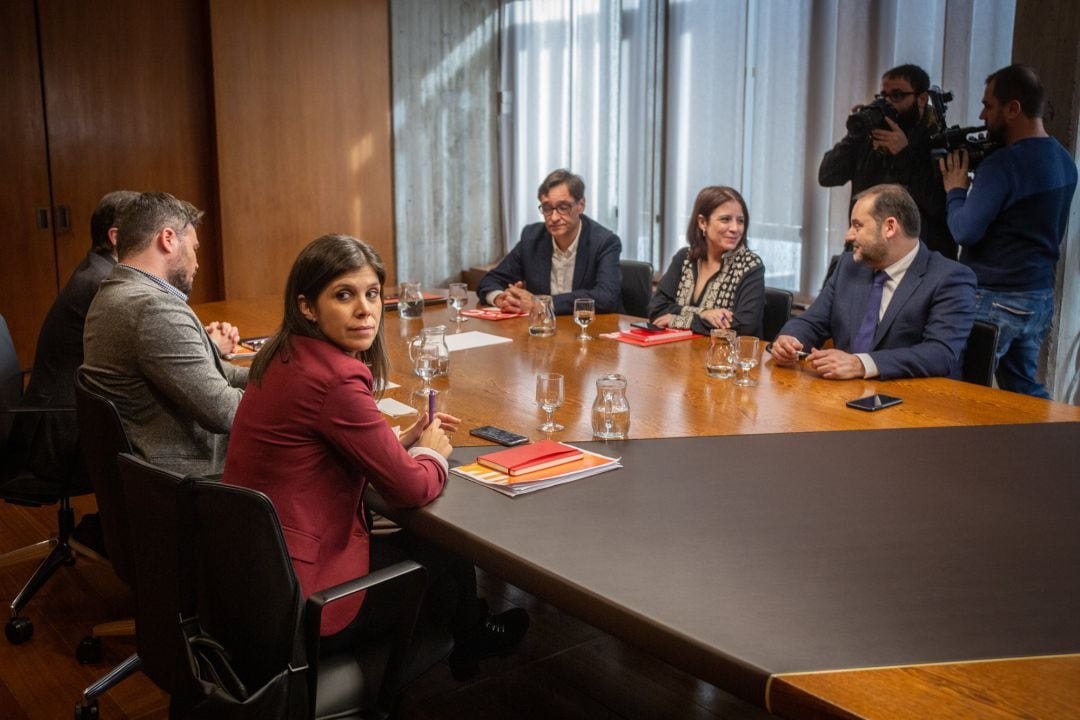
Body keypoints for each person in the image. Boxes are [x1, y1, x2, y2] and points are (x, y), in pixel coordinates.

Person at [222, 234, 528, 682]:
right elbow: (410, 488)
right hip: (305, 602)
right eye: (344, 295)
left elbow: (320, 449)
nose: (365, 309)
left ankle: (469, 634)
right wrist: (431, 454)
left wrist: (398, 443)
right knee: (448, 546)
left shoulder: (284, 354)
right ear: (307, 306)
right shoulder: (337, 376)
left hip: (255, 577)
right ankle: (470, 638)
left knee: (428, 546)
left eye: (371, 294)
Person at [81, 192, 247, 476]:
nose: (197, 263)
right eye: (194, 249)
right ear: (168, 239)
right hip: (188, 479)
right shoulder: (152, 309)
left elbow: (213, 373)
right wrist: (286, 395)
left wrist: (273, 372)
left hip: (149, 472)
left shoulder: (115, 291)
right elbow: (226, 413)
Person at [939, 64, 1077, 398]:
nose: (982, 114)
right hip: (1037, 297)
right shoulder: (1064, 160)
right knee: (1024, 390)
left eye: (988, 105)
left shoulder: (1003, 165)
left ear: (1013, 108)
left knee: (963, 393)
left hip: (993, 299)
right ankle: (1054, 446)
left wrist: (955, 191)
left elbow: (965, 231)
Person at [772, 184, 976, 379]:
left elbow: (939, 354)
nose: (849, 235)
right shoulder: (848, 266)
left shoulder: (950, 278)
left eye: (857, 226)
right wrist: (791, 340)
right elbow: (812, 322)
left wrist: (862, 364)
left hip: (914, 403)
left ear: (889, 227)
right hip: (843, 396)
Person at [12, 191, 137, 487]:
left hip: (58, 420)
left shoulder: (97, 269)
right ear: (116, 237)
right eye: (144, 227)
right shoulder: (103, 282)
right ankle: (122, 530)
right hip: (61, 436)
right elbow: (140, 354)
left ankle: (116, 528)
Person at [819, 64, 956, 259]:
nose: (889, 103)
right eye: (883, 96)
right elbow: (827, 176)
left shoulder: (937, 142)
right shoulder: (871, 139)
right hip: (866, 254)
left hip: (917, 261)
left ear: (922, 99)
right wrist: (855, 134)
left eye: (897, 95)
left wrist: (904, 154)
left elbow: (938, 207)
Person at [478, 169, 622, 315]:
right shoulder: (532, 238)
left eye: (563, 208)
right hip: (543, 330)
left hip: (588, 331)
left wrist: (540, 304)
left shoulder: (604, 242)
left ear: (581, 205)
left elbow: (606, 298)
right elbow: (490, 281)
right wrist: (501, 299)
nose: (553, 218)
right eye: (547, 208)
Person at [647, 186, 765, 336]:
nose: (735, 228)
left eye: (740, 221)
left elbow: (743, 326)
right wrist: (703, 313)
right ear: (703, 222)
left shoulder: (750, 265)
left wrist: (681, 320)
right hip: (679, 353)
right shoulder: (685, 257)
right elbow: (656, 310)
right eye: (725, 219)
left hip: (726, 356)